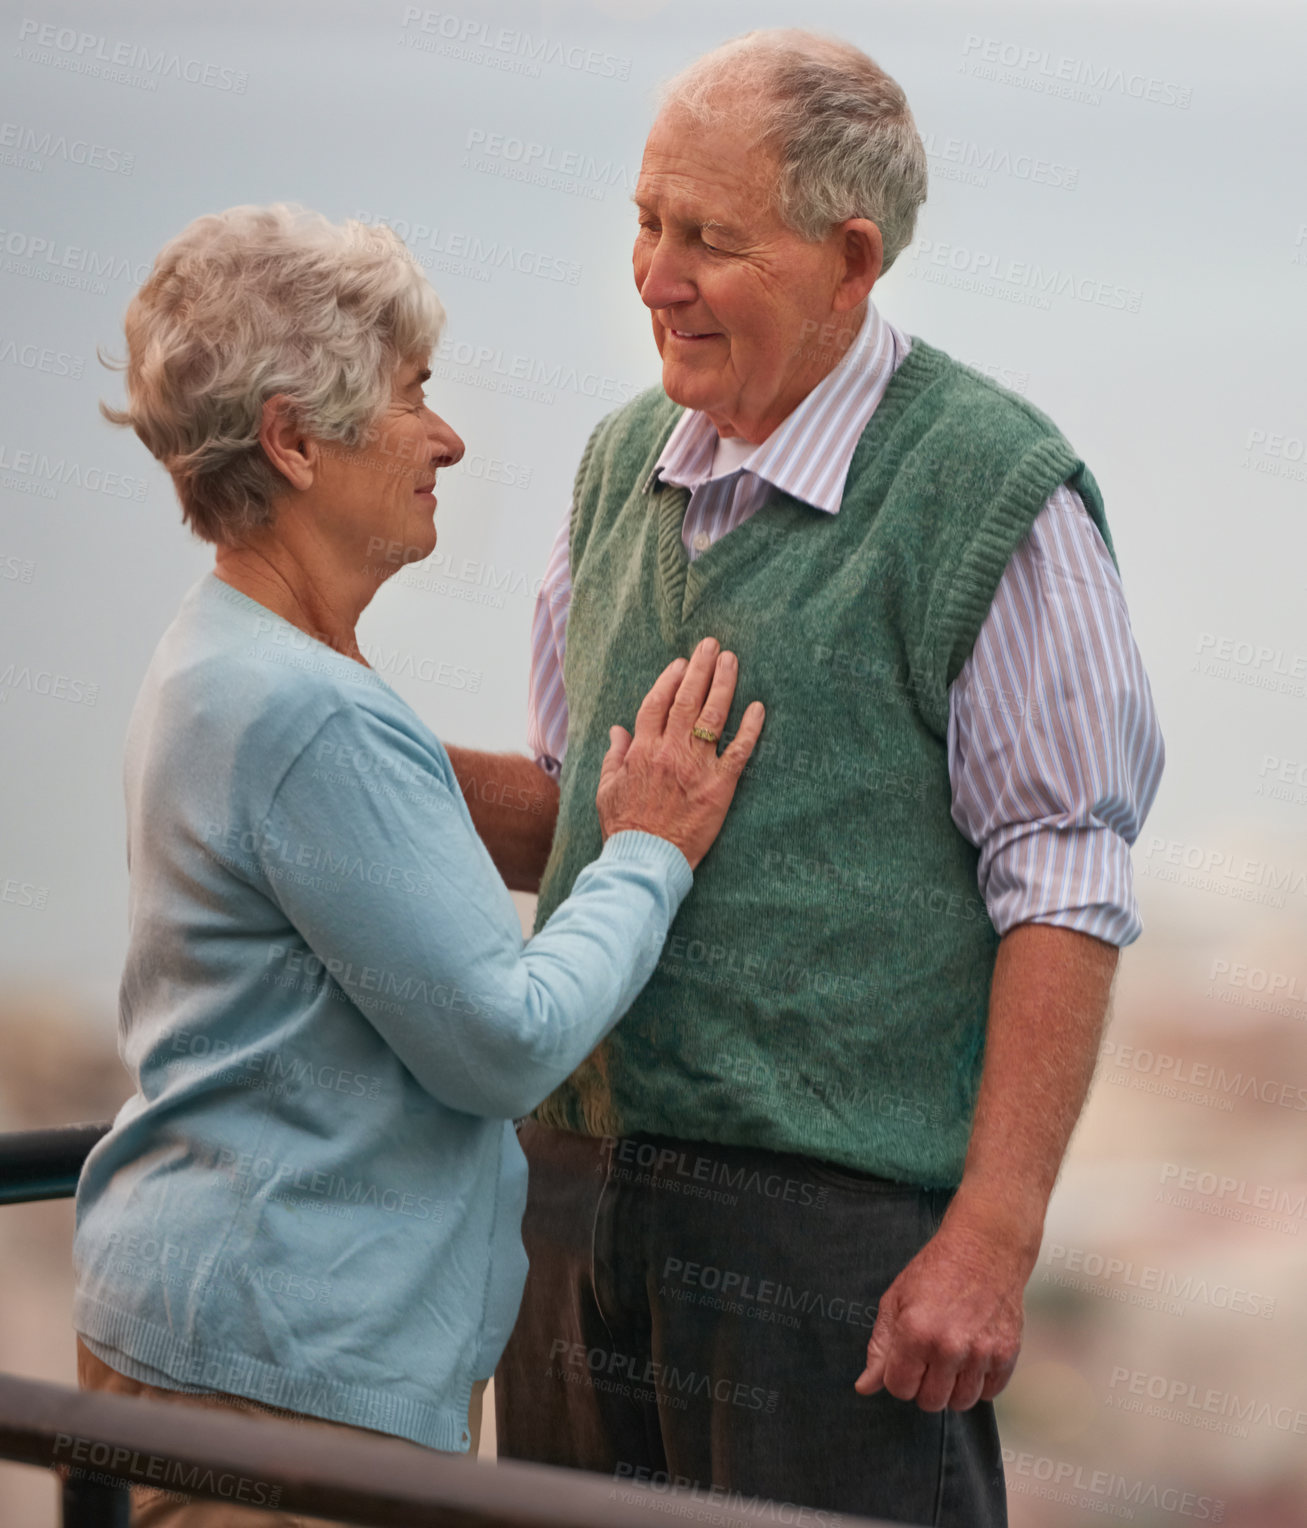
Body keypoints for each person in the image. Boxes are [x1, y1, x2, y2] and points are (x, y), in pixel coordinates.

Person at [450, 28, 1164, 1528]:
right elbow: (581, 811)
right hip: (573, 1218)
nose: (653, 273)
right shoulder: (614, 467)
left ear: (850, 259)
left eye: (707, 237)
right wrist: (331, 753)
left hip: (827, 1260)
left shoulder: (991, 494)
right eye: (646, 220)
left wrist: (990, 1244)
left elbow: (1066, 881)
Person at [70, 202, 763, 1527]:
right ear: (291, 440)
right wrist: (647, 851)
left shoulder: (223, 654)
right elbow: (503, 1047)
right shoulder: (305, 710)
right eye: (411, 397)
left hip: (207, 1345)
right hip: (275, 1392)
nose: (445, 439)